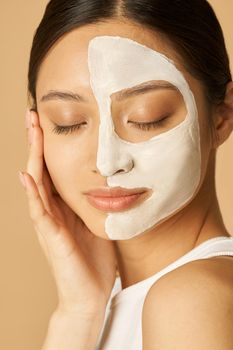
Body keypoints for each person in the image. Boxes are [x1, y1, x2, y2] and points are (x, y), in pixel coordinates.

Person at [18, 0, 233, 349]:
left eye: (147, 117)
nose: (107, 162)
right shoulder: (110, 304)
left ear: (222, 115)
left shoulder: (193, 299)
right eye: (68, 122)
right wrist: (79, 312)